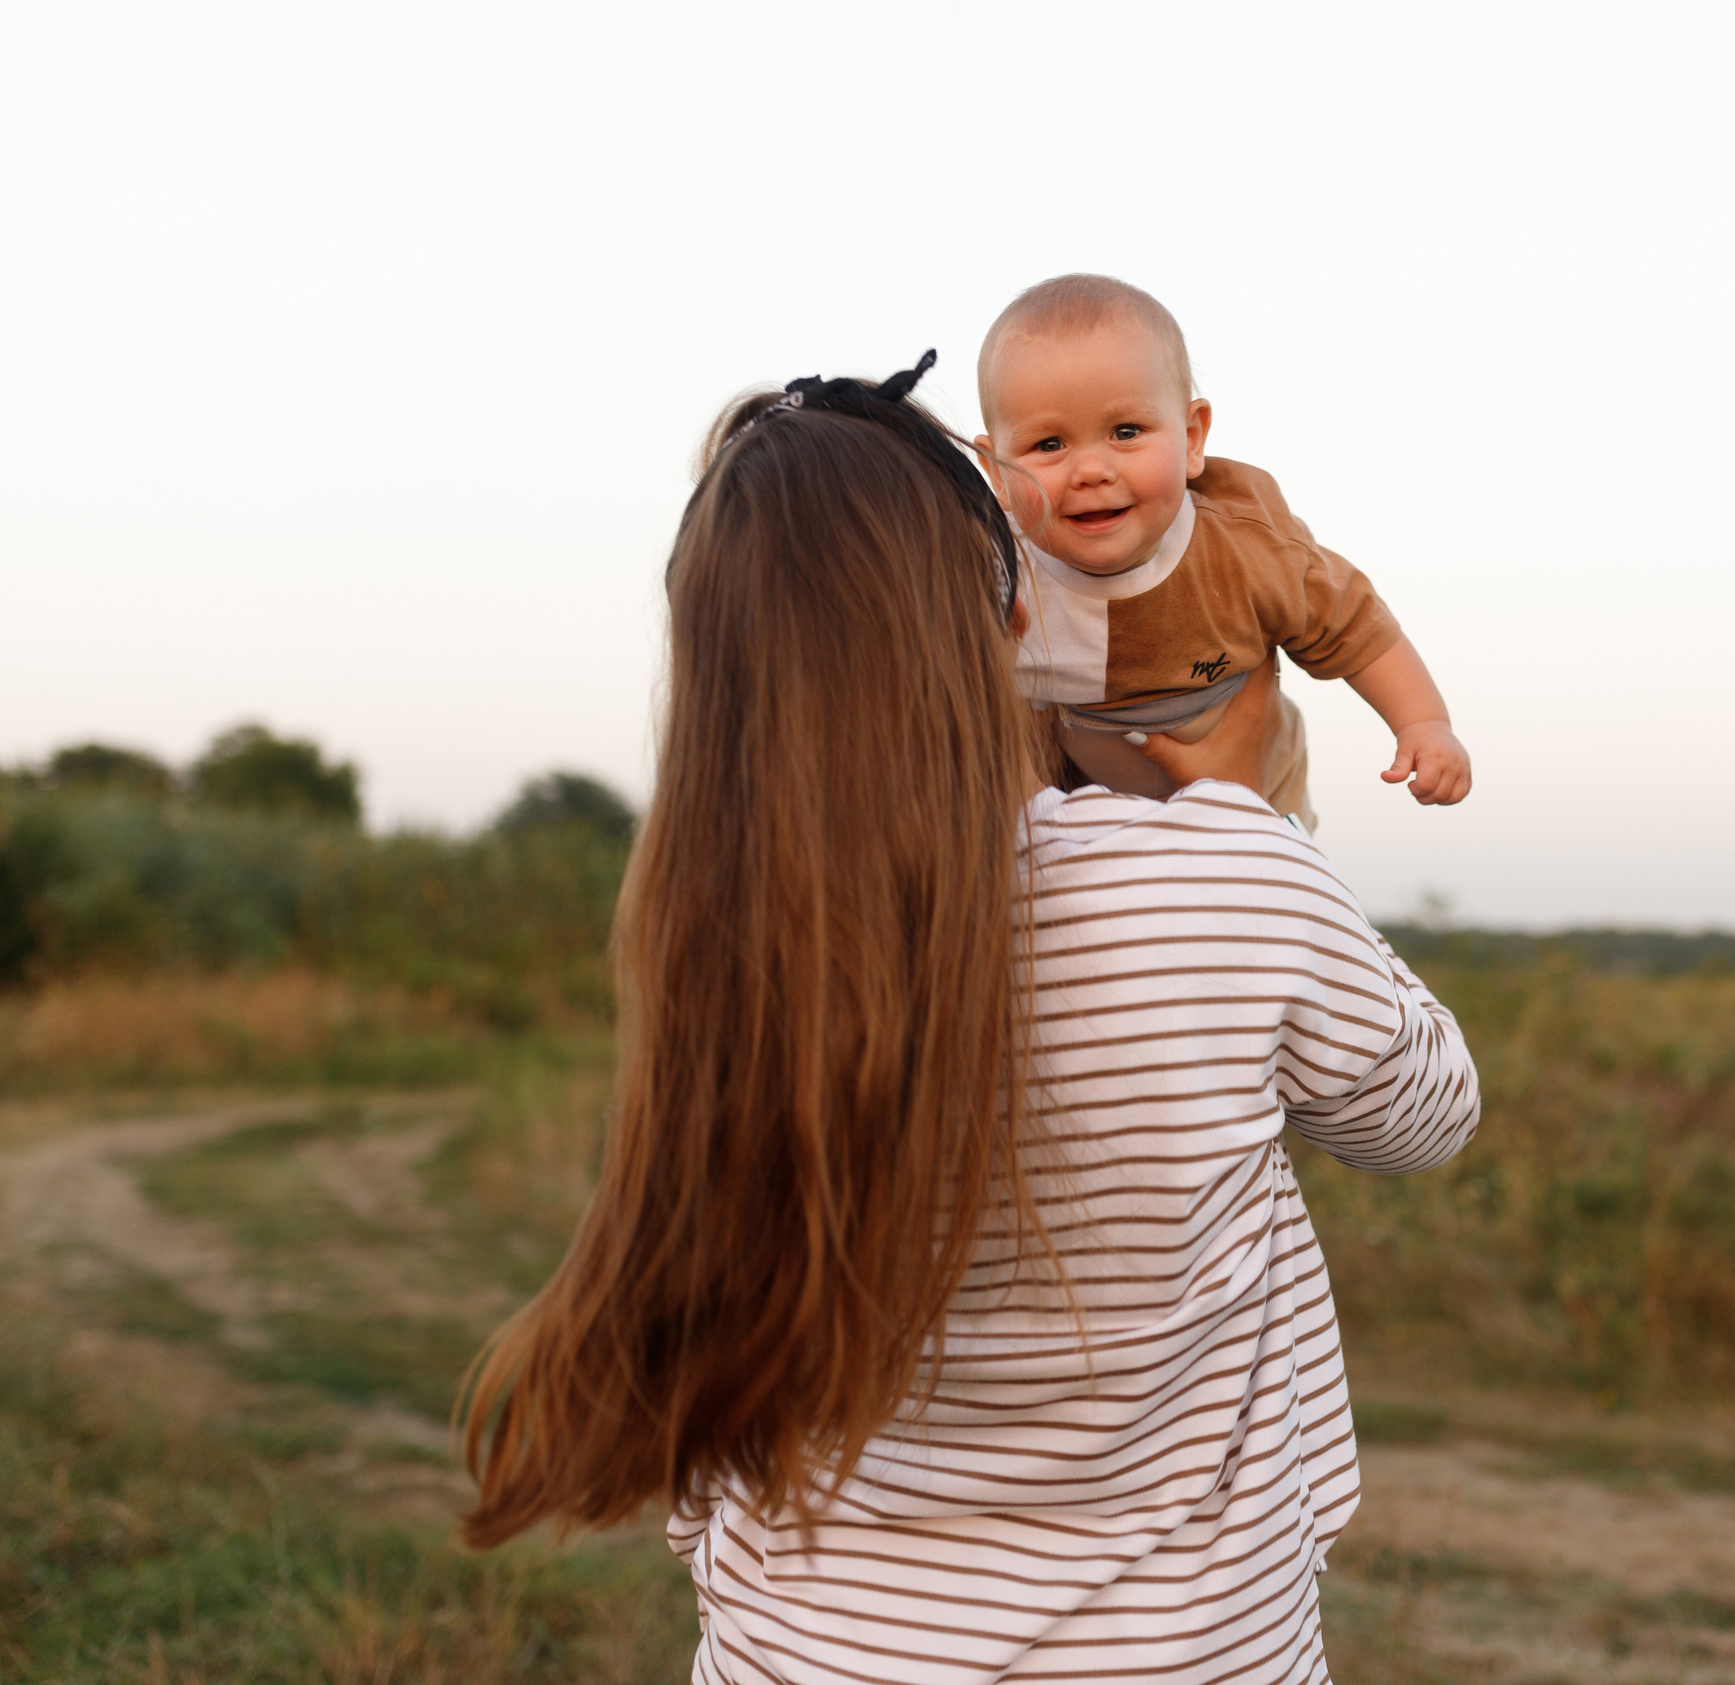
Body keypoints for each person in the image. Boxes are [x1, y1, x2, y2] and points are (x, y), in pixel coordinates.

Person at [459, 357, 1481, 1685]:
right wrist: (1245, 822)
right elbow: (1426, 1113)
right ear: (1011, 616)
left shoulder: (725, 922)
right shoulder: (1217, 868)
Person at [975, 273, 1473, 831]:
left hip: (1257, 787)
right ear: (996, 470)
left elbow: (1357, 627)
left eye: (1126, 431)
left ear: (1191, 439)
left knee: (1261, 883)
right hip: (1079, 792)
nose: (1091, 471)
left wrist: (1424, 724)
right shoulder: (992, 572)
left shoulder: (1246, 547)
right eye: (1049, 444)